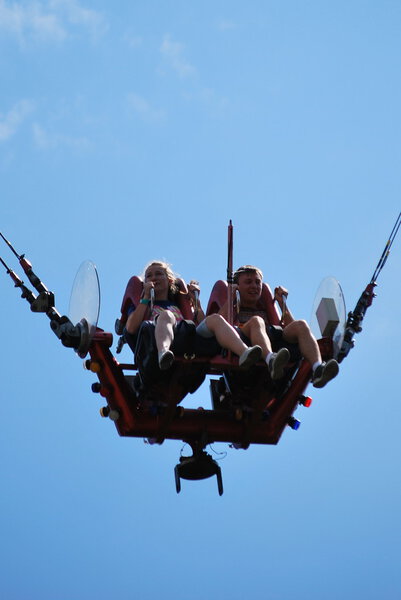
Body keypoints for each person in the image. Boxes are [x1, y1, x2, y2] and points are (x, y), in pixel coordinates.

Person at [125, 261, 262, 370]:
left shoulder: (179, 304)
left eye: (159, 274)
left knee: (215, 319)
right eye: (149, 276)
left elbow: (203, 322)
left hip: (187, 337)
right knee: (167, 315)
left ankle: (244, 352)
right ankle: (164, 353)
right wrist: (146, 298)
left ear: (170, 281)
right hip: (158, 340)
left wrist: (196, 302)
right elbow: (130, 328)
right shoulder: (143, 305)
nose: (154, 278)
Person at [219, 265, 339, 388]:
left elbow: (290, 327)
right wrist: (231, 298)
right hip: (243, 339)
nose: (254, 286)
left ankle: (318, 368)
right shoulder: (233, 306)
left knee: (301, 324)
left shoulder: (264, 306)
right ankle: (271, 360)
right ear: (237, 287)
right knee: (257, 321)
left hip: (270, 338)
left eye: (257, 282)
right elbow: (220, 323)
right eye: (248, 282)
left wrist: (282, 304)